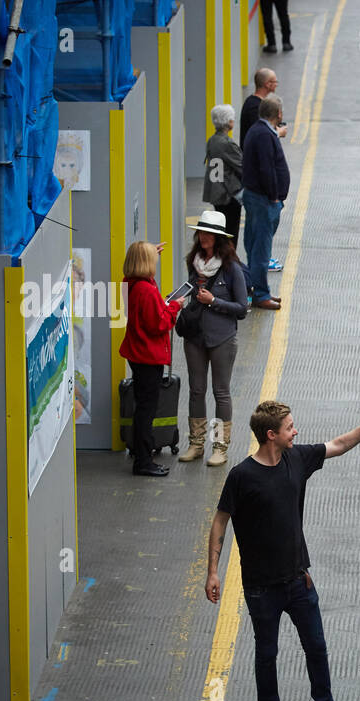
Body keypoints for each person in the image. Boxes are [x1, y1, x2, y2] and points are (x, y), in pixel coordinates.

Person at [205, 394, 360, 701]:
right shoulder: (242, 477)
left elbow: (338, 445)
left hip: (298, 580)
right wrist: (212, 571)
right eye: (289, 428)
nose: (296, 431)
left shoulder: (297, 458)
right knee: (266, 654)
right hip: (261, 588)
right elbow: (219, 522)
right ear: (271, 434)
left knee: (316, 647)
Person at [178, 210, 249, 466]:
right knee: (196, 390)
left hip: (222, 338)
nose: (204, 237)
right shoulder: (193, 261)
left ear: (219, 238)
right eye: (202, 232)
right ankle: (196, 444)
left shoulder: (231, 269)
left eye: (210, 233)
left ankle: (220, 447)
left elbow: (242, 308)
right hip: (195, 337)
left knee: (221, 392)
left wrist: (214, 301)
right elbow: (189, 290)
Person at [119, 241, 185, 477]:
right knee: (147, 410)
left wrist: (146, 252)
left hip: (137, 353)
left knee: (142, 407)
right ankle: (144, 461)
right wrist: (174, 307)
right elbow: (159, 324)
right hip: (148, 356)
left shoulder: (131, 283)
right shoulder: (146, 290)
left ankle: (141, 453)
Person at [241, 94, 289, 310]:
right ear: (278, 114)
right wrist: (274, 196)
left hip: (257, 197)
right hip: (263, 200)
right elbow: (267, 168)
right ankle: (261, 294)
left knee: (255, 244)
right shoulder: (264, 135)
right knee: (261, 248)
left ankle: (256, 288)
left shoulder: (259, 131)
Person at [202, 105, 243, 249]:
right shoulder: (227, 144)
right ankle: (229, 260)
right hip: (228, 194)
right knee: (231, 232)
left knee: (221, 230)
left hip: (215, 191)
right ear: (229, 122)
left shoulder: (212, 140)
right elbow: (241, 166)